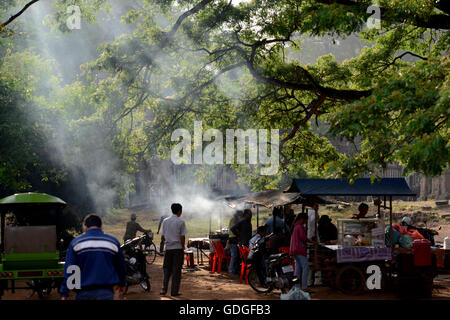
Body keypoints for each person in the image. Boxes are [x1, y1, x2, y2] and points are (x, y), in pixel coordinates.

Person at [60, 214, 126, 300]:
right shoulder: (112, 242)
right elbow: (121, 266)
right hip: (106, 293)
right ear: (101, 227)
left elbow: (71, 269)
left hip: (83, 293)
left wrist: (65, 292)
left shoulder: (76, 243)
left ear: (85, 227)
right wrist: (122, 284)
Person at [160, 203, 187, 297]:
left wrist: (167, 242)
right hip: (177, 248)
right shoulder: (180, 222)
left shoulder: (165, 221)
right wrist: (183, 246)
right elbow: (182, 237)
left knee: (166, 269)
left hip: (168, 249)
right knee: (176, 270)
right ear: (179, 211)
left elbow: (162, 237)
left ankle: (163, 289)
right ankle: (174, 292)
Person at [290, 212, 310, 291]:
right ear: (302, 219)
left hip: (294, 250)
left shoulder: (296, 226)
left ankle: (296, 286)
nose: (305, 222)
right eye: (305, 220)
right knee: (305, 267)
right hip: (299, 249)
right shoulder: (299, 226)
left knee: (298, 268)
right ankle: (304, 287)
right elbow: (303, 238)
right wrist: (311, 241)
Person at [227, 210, 243, 275]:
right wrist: (238, 234)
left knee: (235, 256)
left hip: (232, 238)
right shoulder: (234, 220)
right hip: (233, 239)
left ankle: (234, 270)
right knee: (234, 256)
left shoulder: (233, 219)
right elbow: (233, 229)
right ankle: (231, 271)